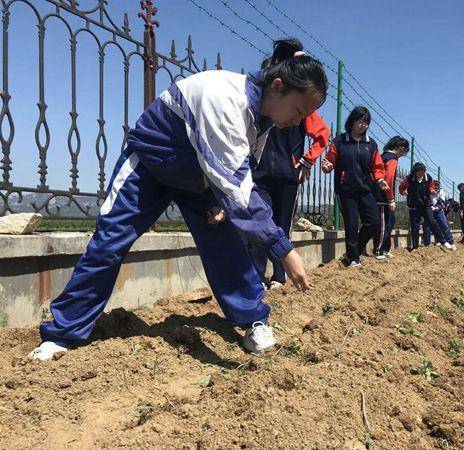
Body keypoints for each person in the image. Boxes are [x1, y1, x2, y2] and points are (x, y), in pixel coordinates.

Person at [28, 38, 328, 360]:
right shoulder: (225, 97)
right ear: (278, 86)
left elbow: (240, 172)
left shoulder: (263, 119)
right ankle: (63, 333)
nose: (299, 122)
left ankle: (253, 319)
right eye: (298, 111)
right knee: (109, 242)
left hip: (198, 178)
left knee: (226, 246)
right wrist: (283, 250)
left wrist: (221, 205)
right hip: (151, 165)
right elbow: (239, 189)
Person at [249, 46, 331, 289]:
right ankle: (256, 276)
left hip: (287, 174)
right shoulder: (263, 102)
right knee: (259, 222)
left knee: (282, 225)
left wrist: (306, 161)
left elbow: (322, 134)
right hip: (260, 172)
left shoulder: (300, 105)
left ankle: (279, 276)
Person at [321, 106, 390, 267]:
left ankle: (354, 251)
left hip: (366, 189)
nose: (363, 125)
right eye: (360, 121)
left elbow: (377, 167)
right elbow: (329, 161)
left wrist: (380, 180)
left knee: (373, 222)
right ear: (352, 121)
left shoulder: (370, 144)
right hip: (346, 190)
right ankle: (353, 259)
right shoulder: (340, 141)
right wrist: (327, 166)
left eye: (366, 122)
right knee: (351, 224)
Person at [399, 163, 451, 251]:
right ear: (415, 172)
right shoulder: (409, 178)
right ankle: (415, 246)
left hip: (425, 204)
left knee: (432, 222)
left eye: (423, 172)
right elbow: (401, 188)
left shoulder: (428, 178)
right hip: (414, 205)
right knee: (415, 226)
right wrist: (404, 193)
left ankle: (443, 242)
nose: (422, 174)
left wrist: (432, 191)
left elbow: (431, 187)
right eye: (420, 172)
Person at [373, 136, 409, 258]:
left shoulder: (383, 156)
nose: (403, 155)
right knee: (384, 224)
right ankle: (378, 251)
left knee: (389, 222)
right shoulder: (392, 159)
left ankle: (385, 249)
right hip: (382, 197)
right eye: (404, 153)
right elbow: (388, 179)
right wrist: (391, 198)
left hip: (378, 194)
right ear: (402, 149)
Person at [424, 180, 457, 251]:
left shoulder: (441, 192)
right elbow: (426, 200)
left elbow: (442, 203)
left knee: (444, 225)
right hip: (429, 209)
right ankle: (426, 244)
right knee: (427, 226)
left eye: (437, 186)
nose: (436, 188)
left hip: (439, 211)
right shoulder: (428, 190)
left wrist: (437, 207)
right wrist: (430, 207)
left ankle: (451, 242)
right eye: (434, 186)